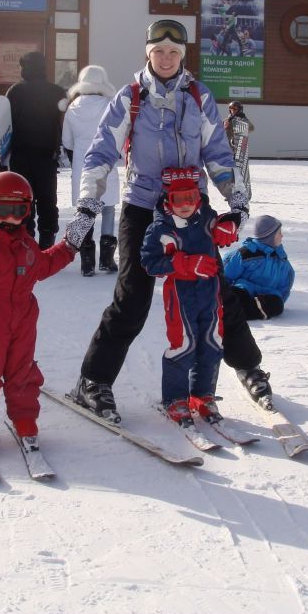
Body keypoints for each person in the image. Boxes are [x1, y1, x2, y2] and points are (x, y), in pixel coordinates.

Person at [64, 19, 269, 423]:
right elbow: (101, 150)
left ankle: (248, 367)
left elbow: (217, 154)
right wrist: (89, 200)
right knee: (132, 296)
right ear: (148, 53)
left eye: (174, 52)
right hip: (143, 207)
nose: (167, 58)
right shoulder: (129, 97)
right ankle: (93, 380)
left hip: (193, 210)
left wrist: (236, 197)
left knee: (217, 293)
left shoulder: (199, 96)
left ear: (183, 55)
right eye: (159, 51)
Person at [0, 171, 77, 456]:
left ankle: (24, 417)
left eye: (18, 210)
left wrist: (70, 245)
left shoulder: (24, 242)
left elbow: (42, 266)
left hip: (22, 321)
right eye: (3, 209)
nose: (11, 218)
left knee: (23, 373)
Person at [139, 166, 224, 425]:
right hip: (180, 296)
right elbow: (149, 262)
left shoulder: (208, 220)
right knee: (183, 344)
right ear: (168, 200)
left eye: (190, 198)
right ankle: (175, 399)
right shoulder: (161, 230)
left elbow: (227, 228)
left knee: (213, 341)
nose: (185, 205)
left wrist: (229, 225)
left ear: (199, 198)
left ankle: (203, 395)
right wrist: (183, 265)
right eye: (178, 199)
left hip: (210, 292)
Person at [61, 65, 120, 276]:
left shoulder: (72, 108)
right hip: (106, 161)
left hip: (82, 164)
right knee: (108, 207)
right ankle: (106, 259)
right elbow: (119, 134)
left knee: (86, 209)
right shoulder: (110, 105)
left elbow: (66, 140)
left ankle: (87, 262)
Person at [5, 51, 66, 249]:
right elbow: (63, 123)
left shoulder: (15, 91)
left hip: (20, 155)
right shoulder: (57, 92)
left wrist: (3, 156)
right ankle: (47, 241)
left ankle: (26, 239)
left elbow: (6, 125)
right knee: (47, 199)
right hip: (47, 155)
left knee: (23, 197)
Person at [222, 215, 295, 320]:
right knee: (235, 294)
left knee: (277, 305)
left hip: (267, 296)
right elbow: (225, 274)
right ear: (269, 236)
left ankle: (236, 312)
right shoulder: (245, 254)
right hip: (244, 290)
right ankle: (232, 310)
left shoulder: (281, 260)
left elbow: (285, 285)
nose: (282, 236)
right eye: (279, 233)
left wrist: (279, 299)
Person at [223, 100, 255, 199]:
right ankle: (231, 193)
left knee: (241, 172)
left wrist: (242, 123)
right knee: (230, 173)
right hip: (228, 149)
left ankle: (246, 193)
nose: (232, 111)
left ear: (239, 109)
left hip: (239, 149)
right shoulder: (227, 119)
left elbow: (251, 128)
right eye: (231, 109)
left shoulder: (243, 119)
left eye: (234, 109)